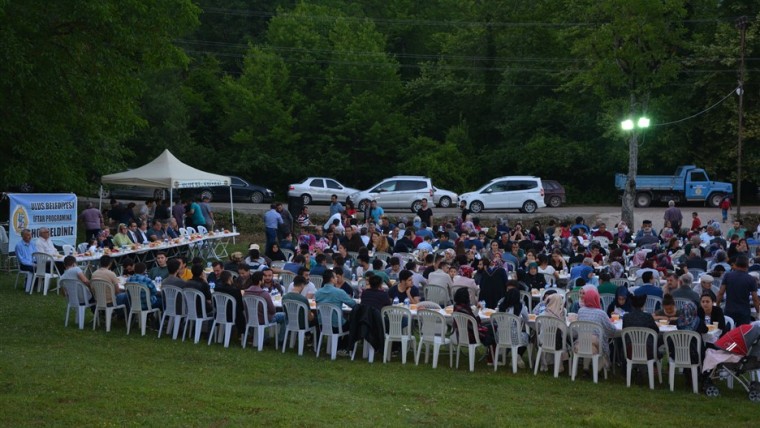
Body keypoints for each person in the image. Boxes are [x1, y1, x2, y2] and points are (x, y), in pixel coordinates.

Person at [577, 287, 616, 368]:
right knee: (599, 343)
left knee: (590, 344)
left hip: (583, 339)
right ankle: (599, 368)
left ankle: (586, 368)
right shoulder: (601, 313)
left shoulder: (581, 311)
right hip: (597, 341)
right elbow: (611, 329)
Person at [452, 287, 495, 361]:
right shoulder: (465, 309)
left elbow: (472, 321)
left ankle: (491, 356)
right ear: (465, 297)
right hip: (471, 336)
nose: (470, 296)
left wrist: (477, 309)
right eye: (469, 295)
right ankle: (491, 358)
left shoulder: (457, 307)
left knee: (490, 328)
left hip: (460, 335)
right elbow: (474, 323)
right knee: (492, 330)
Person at [717, 255, 760, 326]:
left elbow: (721, 293)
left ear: (736, 264)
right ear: (747, 265)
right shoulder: (751, 279)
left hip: (729, 310)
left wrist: (717, 305)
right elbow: (755, 299)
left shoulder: (727, 276)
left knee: (728, 333)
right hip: (744, 312)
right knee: (742, 334)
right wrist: (758, 311)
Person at [213, 270, 245, 339]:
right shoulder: (235, 290)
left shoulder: (216, 289)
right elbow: (241, 306)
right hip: (232, 315)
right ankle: (243, 336)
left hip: (219, 313)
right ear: (230, 278)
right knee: (243, 314)